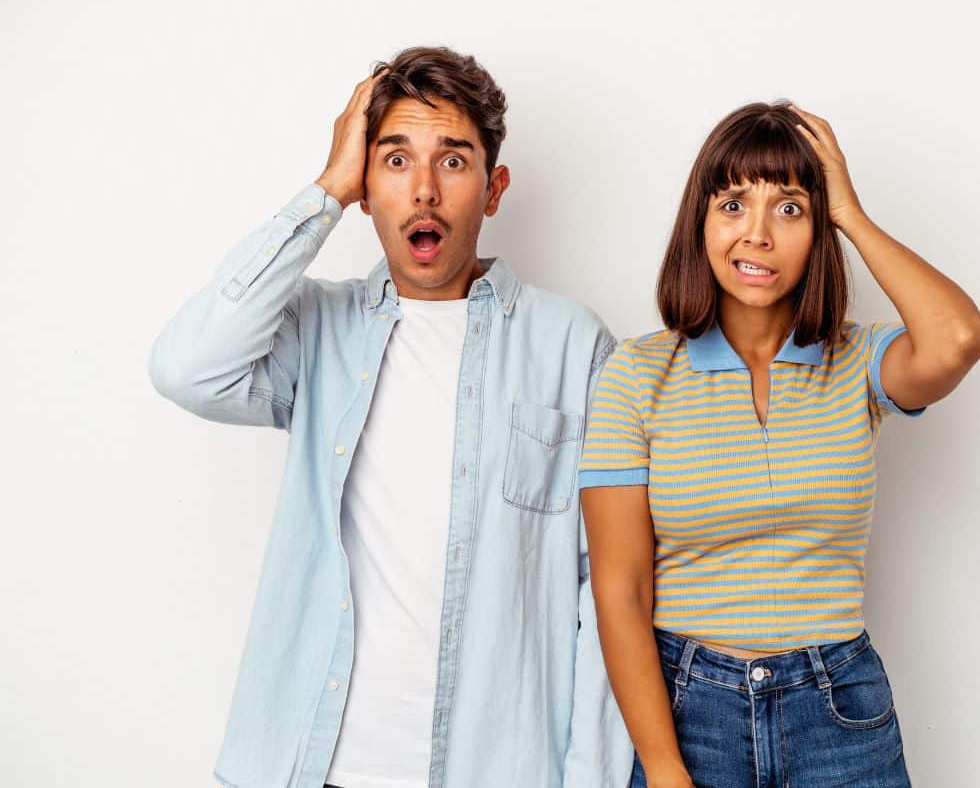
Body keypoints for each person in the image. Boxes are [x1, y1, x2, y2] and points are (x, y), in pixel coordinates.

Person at [148, 46, 632, 788]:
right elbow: (187, 369)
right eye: (396, 160)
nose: (426, 192)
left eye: (454, 161)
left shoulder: (572, 345)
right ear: (369, 188)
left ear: (495, 188)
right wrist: (326, 192)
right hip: (319, 766)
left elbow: (605, 589)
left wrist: (592, 778)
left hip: (497, 770)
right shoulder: (315, 328)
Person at [577, 101, 980, 787]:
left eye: (790, 208)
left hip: (838, 708)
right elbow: (621, 589)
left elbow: (959, 339)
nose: (758, 234)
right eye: (733, 204)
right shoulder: (636, 372)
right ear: (700, 221)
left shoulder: (858, 359)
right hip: (689, 710)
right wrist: (664, 768)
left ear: (818, 226)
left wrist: (850, 213)